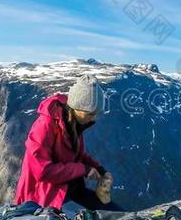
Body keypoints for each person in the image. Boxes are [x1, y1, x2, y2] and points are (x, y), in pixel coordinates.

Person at [14, 74, 119, 211]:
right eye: (90, 114)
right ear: (76, 107)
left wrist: (100, 170)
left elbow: (78, 154)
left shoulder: (74, 123)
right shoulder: (45, 126)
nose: (94, 118)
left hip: (68, 190)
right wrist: (83, 170)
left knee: (113, 213)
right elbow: (43, 171)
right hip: (44, 198)